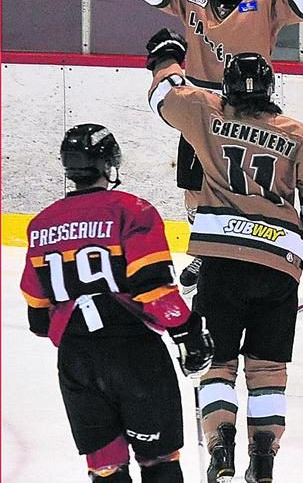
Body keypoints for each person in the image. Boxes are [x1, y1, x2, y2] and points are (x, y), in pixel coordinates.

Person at [144, 29, 303, 483]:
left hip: (221, 262)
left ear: (227, 87)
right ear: (270, 88)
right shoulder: (299, 136)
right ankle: (265, 455)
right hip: (278, 267)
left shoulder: (205, 112)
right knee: (268, 368)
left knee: (219, 361)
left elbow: (164, 95)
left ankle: (221, 446)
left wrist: (167, 57)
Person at [106, 0, 303, 293]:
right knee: (194, 187)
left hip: (251, 109)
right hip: (199, 110)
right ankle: (205, 250)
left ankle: (255, 245)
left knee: (250, 184)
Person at [19, 123, 214, 483]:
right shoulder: (132, 210)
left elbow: (38, 318)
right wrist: (188, 332)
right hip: (133, 352)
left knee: (105, 466)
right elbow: (154, 291)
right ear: (109, 163)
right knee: (158, 460)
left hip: (76, 359)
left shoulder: (41, 224)